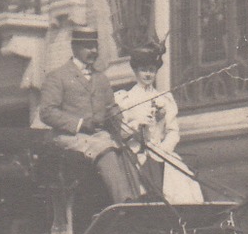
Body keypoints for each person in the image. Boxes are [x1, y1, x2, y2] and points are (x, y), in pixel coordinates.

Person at [38, 24, 142, 203]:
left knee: (126, 152)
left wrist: (120, 122)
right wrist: (80, 123)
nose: (94, 50)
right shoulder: (57, 76)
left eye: (96, 46)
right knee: (106, 151)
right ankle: (125, 203)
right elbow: (47, 112)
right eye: (88, 47)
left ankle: (139, 200)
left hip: (98, 136)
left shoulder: (100, 78)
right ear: (75, 48)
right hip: (69, 137)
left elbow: (111, 107)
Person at [114, 40, 204, 205]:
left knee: (182, 183)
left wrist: (164, 149)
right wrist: (137, 124)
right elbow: (120, 133)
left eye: (152, 70)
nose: (148, 75)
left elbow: (173, 131)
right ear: (135, 70)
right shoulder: (125, 99)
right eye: (143, 70)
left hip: (162, 152)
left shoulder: (165, 99)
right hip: (136, 154)